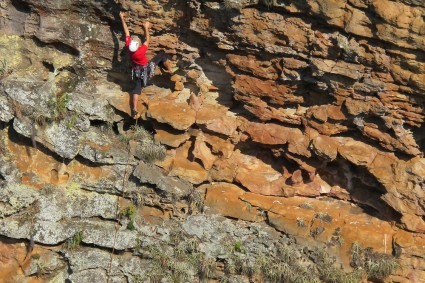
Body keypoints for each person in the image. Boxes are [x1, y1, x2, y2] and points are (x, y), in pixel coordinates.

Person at [119, 11, 178, 118]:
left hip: (137, 71)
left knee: (136, 89)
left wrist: (122, 18)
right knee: (161, 54)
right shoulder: (140, 51)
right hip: (147, 69)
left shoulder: (128, 47)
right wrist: (146, 27)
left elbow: (126, 32)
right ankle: (170, 69)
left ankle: (134, 109)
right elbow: (147, 40)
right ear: (137, 46)